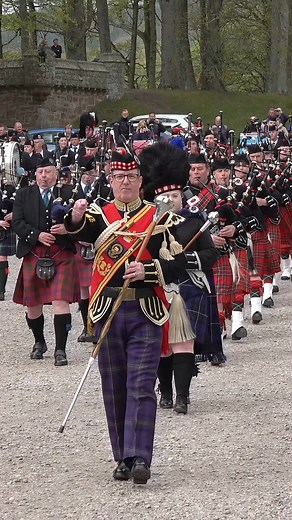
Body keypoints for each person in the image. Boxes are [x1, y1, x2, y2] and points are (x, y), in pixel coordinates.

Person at [64, 149, 186, 484]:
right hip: (108, 310)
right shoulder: (98, 216)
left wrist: (147, 269)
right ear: (111, 180)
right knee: (115, 386)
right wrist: (74, 217)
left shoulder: (159, 217)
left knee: (142, 385)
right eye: (119, 177)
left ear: (141, 181)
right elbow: (77, 231)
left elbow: (179, 263)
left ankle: (140, 457)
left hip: (145, 310)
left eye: (131, 177)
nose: (126, 182)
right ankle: (122, 457)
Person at [140, 142, 218, 414]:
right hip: (158, 289)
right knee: (164, 345)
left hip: (189, 289)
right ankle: (165, 392)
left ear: (182, 198)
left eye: (175, 196)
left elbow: (210, 253)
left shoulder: (195, 222)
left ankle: (183, 396)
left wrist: (188, 260)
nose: (171, 201)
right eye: (165, 197)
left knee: (184, 343)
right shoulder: (147, 227)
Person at [12, 157, 80, 366]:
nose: (43, 176)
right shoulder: (24, 194)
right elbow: (17, 222)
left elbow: (87, 222)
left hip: (62, 253)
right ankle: (39, 342)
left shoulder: (71, 193)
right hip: (34, 252)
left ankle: (61, 349)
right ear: (35, 174)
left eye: (48, 172)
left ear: (56, 174)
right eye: (40, 172)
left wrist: (69, 228)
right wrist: (37, 235)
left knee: (60, 301)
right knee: (33, 304)